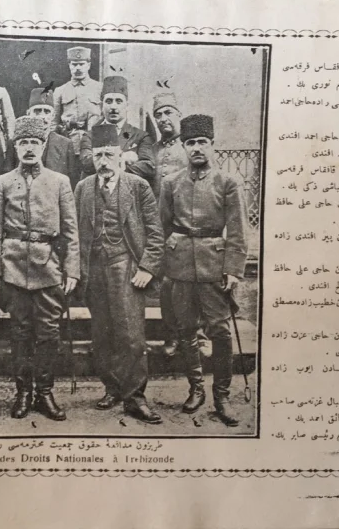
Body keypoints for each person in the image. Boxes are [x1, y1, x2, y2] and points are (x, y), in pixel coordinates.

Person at [0, 116, 80, 421]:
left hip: (49, 268)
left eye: (35, 143)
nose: (29, 148)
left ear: (43, 145)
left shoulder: (60, 181)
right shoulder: (2, 182)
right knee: (20, 333)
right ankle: (23, 393)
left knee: (49, 333)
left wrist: (72, 270)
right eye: (23, 142)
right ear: (15, 147)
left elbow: (71, 231)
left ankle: (45, 393)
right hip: (13, 268)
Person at [159, 114, 247, 427]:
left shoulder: (227, 182)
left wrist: (233, 269)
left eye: (202, 142)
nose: (197, 148)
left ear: (212, 145)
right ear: (183, 147)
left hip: (214, 266)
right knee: (185, 329)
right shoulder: (171, 183)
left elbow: (237, 230)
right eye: (191, 143)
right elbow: (163, 225)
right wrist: (168, 260)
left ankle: (222, 396)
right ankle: (195, 388)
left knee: (220, 332)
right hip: (180, 265)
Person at [75, 124, 164, 424]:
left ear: (120, 156)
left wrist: (147, 267)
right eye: (98, 155)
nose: (103, 162)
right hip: (94, 269)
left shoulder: (138, 187)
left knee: (131, 335)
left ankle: (135, 397)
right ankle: (112, 387)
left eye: (109, 155)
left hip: (126, 267)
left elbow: (155, 233)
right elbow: (74, 233)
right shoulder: (83, 188)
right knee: (102, 333)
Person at [150, 92, 191, 357]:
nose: (163, 118)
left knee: (188, 285)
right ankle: (171, 335)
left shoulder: (189, 147)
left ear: (179, 115)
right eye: (158, 115)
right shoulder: (153, 150)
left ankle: (195, 335)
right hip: (160, 225)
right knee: (166, 286)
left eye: (168, 113)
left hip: (185, 225)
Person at [79, 76, 155, 184]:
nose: (113, 107)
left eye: (119, 101)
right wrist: (122, 158)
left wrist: (113, 165)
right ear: (101, 105)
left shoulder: (140, 136)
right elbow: (86, 163)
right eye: (109, 101)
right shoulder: (90, 136)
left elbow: (148, 166)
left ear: (127, 105)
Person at [7, 87, 77, 186]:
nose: (42, 116)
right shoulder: (15, 142)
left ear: (53, 116)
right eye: (37, 111)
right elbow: (7, 180)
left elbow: (71, 183)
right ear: (28, 113)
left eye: (47, 112)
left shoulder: (65, 144)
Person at [53, 46, 102, 158]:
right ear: (69, 65)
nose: (78, 68)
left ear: (88, 65)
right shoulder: (60, 90)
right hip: (68, 143)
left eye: (82, 64)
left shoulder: (99, 88)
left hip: (94, 143)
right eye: (74, 64)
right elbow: (54, 122)